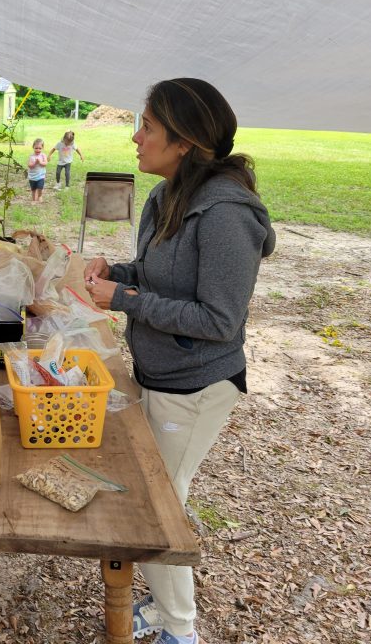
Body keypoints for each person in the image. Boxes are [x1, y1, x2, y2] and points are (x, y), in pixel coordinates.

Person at [83, 78, 275, 644]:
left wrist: (123, 299)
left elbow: (218, 320)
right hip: (157, 371)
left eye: (146, 126)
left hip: (196, 384)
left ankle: (180, 629)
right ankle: (166, 608)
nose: (135, 139)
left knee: (157, 506)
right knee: (154, 494)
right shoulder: (166, 196)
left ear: (184, 141)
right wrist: (118, 274)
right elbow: (161, 276)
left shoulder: (225, 214)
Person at [27, 137, 47, 203]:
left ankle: (40, 196)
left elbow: (45, 164)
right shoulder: (31, 156)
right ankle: (33, 199)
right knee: (33, 189)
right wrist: (35, 163)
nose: (38, 150)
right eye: (36, 148)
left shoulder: (43, 155)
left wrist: (40, 162)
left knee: (40, 187)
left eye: (40, 148)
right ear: (33, 147)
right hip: (32, 177)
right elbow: (29, 166)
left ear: (42, 148)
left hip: (40, 176)